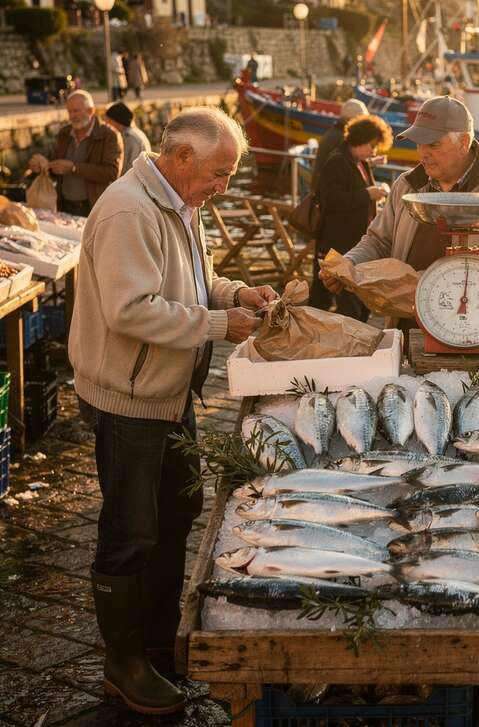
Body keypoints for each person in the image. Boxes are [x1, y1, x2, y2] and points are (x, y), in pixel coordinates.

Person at [69, 107, 277, 715]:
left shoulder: (181, 202)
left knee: (179, 509)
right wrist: (220, 323)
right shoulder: (129, 208)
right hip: (128, 397)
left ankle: (159, 645)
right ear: (182, 157)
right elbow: (130, 309)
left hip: (169, 391)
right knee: (131, 529)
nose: (224, 187)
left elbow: (194, 279)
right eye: (219, 173)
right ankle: (124, 663)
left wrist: (235, 293)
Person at [319, 95, 479, 318]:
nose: (423, 153)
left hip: (476, 328)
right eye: (419, 143)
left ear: (463, 142)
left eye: (433, 144)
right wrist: (349, 263)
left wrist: (461, 288)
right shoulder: (405, 186)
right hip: (407, 322)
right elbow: (379, 241)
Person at [310, 114, 392, 319]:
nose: (374, 150)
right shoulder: (337, 161)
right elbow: (330, 199)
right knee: (336, 299)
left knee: (349, 300)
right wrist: (368, 195)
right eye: (372, 145)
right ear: (361, 140)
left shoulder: (358, 161)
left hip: (352, 241)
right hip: (337, 241)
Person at [28, 90, 122, 216]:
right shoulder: (64, 133)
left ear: (91, 111)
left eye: (76, 111)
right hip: (65, 205)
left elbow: (112, 172)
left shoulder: (109, 135)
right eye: (69, 111)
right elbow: (56, 164)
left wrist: (73, 168)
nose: (72, 116)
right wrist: (43, 166)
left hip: (94, 207)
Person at [313, 98, 368, 190]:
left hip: (322, 189)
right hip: (327, 194)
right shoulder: (341, 139)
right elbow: (342, 170)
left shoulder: (334, 133)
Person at [103, 101, 151, 174]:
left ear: (116, 121)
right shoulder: (136, 133)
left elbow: (126, 169)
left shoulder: (129, 138)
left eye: (108, 122)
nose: (106, 126)